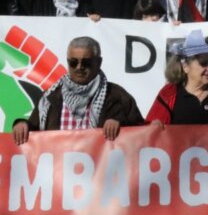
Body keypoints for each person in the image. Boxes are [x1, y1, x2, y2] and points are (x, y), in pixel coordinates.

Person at [12, 36, 144, 144]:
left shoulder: (117, 95)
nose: (79, 67)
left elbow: (141, 133)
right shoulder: (50, 97)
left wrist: (120, 124)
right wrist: (22, 125)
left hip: (102, 168)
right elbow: (35, 128)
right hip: (58, 167)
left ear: (99, 62)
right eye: (73, 62)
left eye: (86, 63)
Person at [146, 30, 208, 127]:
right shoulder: (168, 93)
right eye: (203, 63)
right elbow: (148, 130)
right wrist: (154, 126)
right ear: (185, 66)